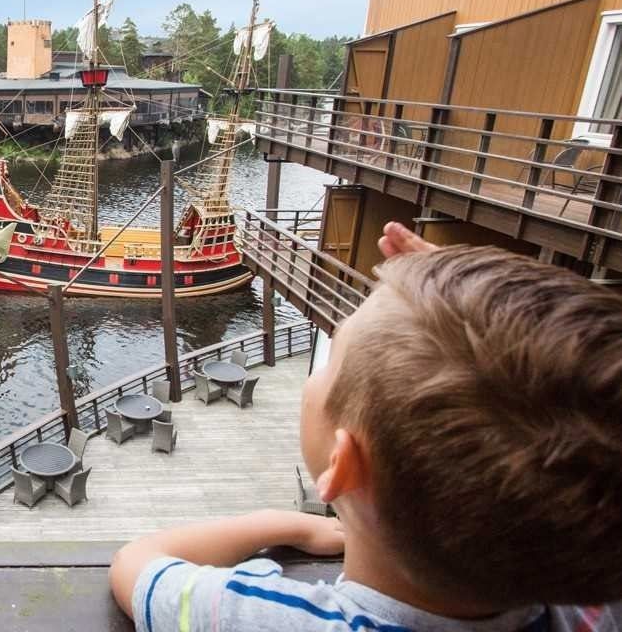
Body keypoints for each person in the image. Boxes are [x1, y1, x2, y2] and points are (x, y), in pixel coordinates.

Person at [110, 222, 622, 631]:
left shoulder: (271, 619)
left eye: (331, 357)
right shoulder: (588, 608)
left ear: (342, 464)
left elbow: (136, 567)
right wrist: (453, 304)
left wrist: (281, 523)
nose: (324, 366)